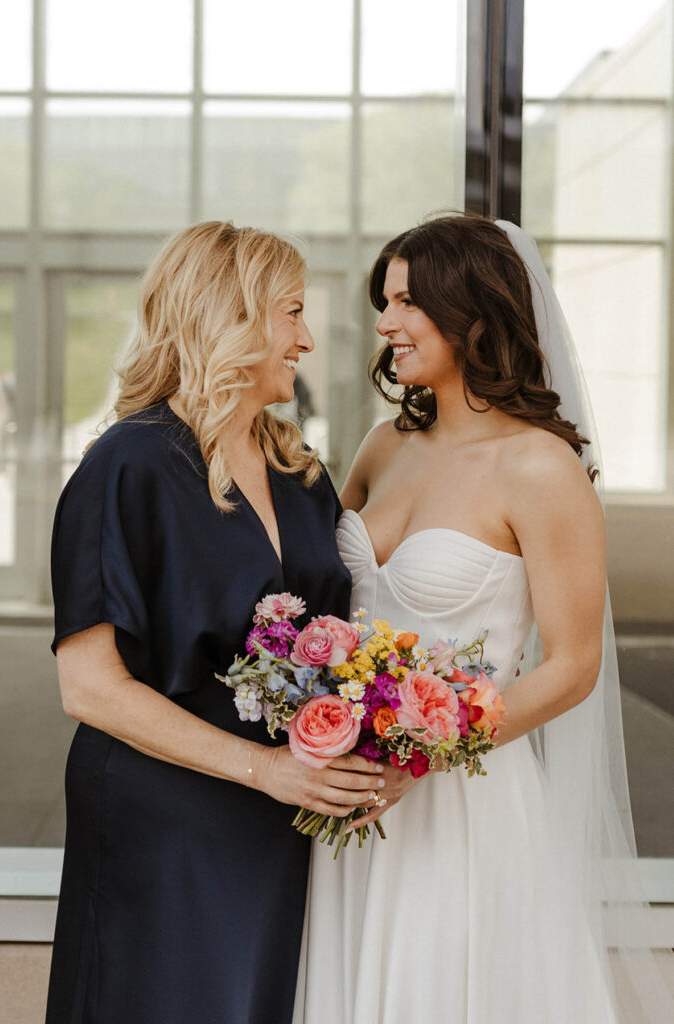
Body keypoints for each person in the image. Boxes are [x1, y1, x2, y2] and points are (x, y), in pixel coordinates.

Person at [294, 214, 673, 1023]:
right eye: (383, 302)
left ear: (468, 307)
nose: (384, 323)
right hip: (356, 796)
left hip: (464, 798)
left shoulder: (540, 467)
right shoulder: (382, 444)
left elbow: (572, 666)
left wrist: (427, 751)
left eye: (405, 302)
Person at [46, 221, 389, 1024]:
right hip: (161, 808)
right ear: (227, 314)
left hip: (278, 812)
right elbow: (89, 689)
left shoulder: (299, 471)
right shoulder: (127, 463)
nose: (306, 337)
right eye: (291, 313)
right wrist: (263, 769)